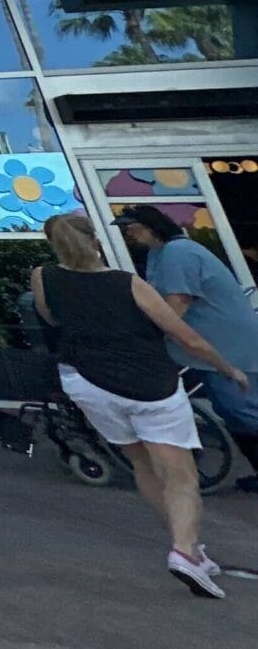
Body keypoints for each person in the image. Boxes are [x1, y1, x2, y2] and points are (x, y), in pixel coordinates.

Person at [31, 211, 250, 598]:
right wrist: (227, 367)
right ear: (95, 242)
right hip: (148, 384)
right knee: (180, 474)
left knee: (141, 464)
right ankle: (185, 550)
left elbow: (51, 317)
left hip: (88, 382)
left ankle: (193, 549)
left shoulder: (42, 278)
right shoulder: (128, 284)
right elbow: (185, 336)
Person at [118, 205, 258, 495]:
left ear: (150, 226)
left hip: (223, 342)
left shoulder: (177, 253)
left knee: (240, 407)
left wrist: (148, 333)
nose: (128, 233)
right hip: (211, 340)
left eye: (132, 227)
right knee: (231, 408)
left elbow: (177, 304)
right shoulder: (162, 253)